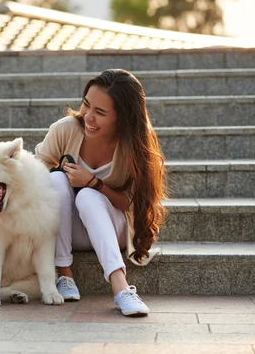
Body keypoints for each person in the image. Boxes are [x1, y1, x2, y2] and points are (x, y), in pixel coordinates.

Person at [34, 69, 167, 317]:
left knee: (88, 196)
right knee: (55, 179)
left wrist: (94, 183)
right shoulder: (65, 130)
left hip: (112, 227)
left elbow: (130, 204)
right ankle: (64, 275)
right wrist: (61, 173)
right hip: (66, 228)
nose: (88, 117)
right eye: (86, 105)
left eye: (100, 113)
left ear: (122, 118)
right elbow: (34, 170)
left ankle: (121, 289)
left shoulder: (135, 147)